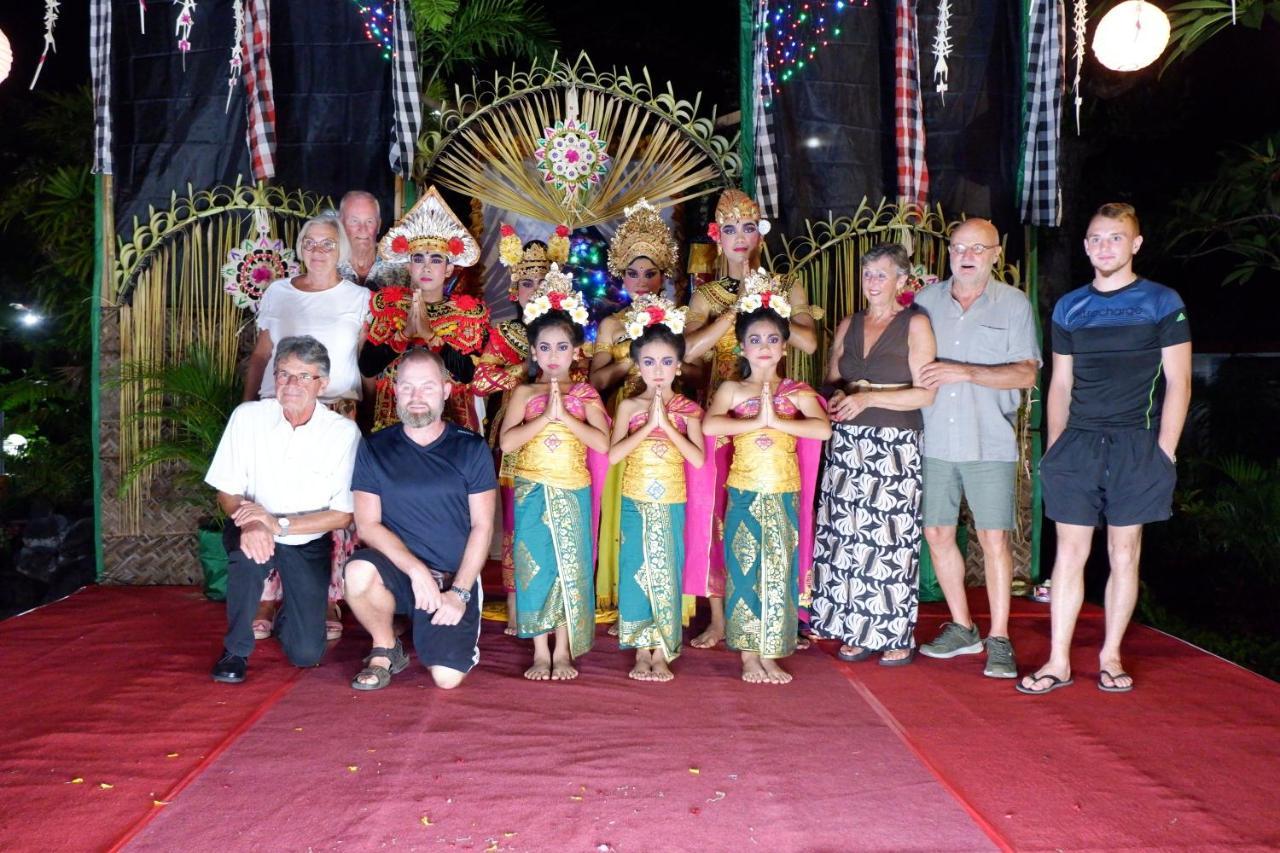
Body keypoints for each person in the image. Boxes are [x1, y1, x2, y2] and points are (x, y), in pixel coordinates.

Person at [1018, 203, 1191, 696]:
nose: (1104, 247)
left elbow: (1179, 382)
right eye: (1095, 238)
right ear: (1086, 245)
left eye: (1115, 238)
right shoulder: (1070, 306)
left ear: (1135, 244)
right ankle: (1057, 661)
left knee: (1124, 550)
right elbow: (1060, 384)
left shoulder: (1161, 301)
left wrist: (1166, 451)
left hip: (1138, 444)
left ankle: (1110, 654)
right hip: (1077, 445)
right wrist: (1053, 450)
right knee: (1069, 554)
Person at [682, 189, 819, 649]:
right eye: (729, 229)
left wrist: (770, 305)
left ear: (759, 233)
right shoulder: (706, 295)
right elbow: (687, 352)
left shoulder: (785, 284)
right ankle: (722, 617)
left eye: (747, 227)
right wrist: (732, 315)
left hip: (774, 412)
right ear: (716, 238)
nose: (739, 238)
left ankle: (779, 615)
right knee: (718, 512)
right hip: (722, 411)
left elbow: (809, 344)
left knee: (776, 510)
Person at [913, 218, 1040, 679]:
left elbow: (1026, 374)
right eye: (958, 247)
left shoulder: (1013, 304)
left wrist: (963, 371)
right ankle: (964, 628)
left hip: (990, 440)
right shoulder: (925, 302)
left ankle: (1000, 637)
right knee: (938, 535)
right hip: (935, 440)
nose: (966, 255)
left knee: (993, 540)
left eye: (977, 248)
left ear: (994, 254)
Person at [241, 213, 370, 642]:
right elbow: (261, 355)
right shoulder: (278, 292)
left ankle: (328, 594)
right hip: (278, 407)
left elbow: (366, 364)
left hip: (335, 412)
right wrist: (246, 405)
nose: (318, 250)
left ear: (342, 251)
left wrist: (369, 415)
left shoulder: (359, 298)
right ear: (300, 248)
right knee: (269, 495)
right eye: (310, 242)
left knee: (330, 506)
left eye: (328, 243)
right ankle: (265, 593)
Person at [809, 244, 937, 666]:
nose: (873, 282)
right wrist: (840, 398)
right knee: (848, 535)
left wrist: (866, 401)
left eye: (882, 275)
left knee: (889, 538)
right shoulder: (850, 323)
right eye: (868, 274)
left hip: (894, 444)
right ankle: (855, 628)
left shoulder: (915, 324)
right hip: (847, 443)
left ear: (902, 280)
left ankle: (895, 632)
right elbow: (831, 380)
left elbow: (926, 392)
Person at [207, 336, 361, 684]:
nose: (291, 385)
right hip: (252, 528)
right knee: (248, 555)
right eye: (284, 374)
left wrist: (278, 524)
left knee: (306, 654)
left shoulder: (342, 433)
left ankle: (292, 614)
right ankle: (235, 650)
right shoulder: (248, 418)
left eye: (303, 376)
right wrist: (253, 525)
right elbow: (227, 490)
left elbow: (342, 515)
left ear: (322, 384)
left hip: (306, 538)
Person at [342, 348, 497, 690]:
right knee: (357, 571)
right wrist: (415, 570)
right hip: (400, 572)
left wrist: (459, 592)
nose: (416, 397)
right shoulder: (375, 447)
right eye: (408, 387)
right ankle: (385, 647)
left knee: (446, 679)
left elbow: (482, 526)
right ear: (395, 390)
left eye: (427, 387)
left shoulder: (470, 448)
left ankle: (446, 618)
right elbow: (367, 524)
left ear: (444, 390)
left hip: (450, 578)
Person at [703, 272, 831, 684]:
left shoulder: (797, 391)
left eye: (772, 340)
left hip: (782, 493)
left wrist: (776, 418)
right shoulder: (732, 389)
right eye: (755, 340)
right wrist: (757, 419)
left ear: (784, 347)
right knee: (743, 570)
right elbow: (709, 428)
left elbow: (822, 429)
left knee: (778, 572)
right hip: (743, 492)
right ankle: (747, 655)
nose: (763, 347)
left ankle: (771, 651)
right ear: (742, 346)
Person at [500, 270, 611, 681]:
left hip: (572, 490)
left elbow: (602, 444)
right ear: (533, 351)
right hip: (532, 490)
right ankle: (539, 649)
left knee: (570, 568)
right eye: (544, 347)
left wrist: (564, 415)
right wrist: (546, 415)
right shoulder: (525, 394)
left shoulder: (585, 395)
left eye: (562, 347)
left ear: (576, 352)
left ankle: (563, 649)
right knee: (536, 567)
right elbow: (508, 442)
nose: (553, 355)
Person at [473, 225, 570, 634]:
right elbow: (478, 381)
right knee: (517, 520)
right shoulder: (506, 333)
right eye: (526, 282)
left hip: (563, 438)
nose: (534, 290)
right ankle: (516, 605)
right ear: (515, 289)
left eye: (542, 282)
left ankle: (560, 600)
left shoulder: (566, 335)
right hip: (515, 436)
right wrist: (519, 375)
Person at [606, 296, 706, 681]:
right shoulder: (630, 407)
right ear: (637, 365)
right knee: (636, 571)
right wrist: (649, 426)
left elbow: (697, 460)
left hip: (670, 501)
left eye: (666, 362)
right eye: (649, 362)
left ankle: (662, 649)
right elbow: (615, 454)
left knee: (666, 572)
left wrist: (667, 425)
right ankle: (639, 648)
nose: (658, 370)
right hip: (635, 501)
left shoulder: (687, 409)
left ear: (679, 366)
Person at [591, 199, 680, 623]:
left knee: (662, 506)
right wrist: (635, 355)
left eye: (650, 273)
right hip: (624, 417)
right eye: (632, 272)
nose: (641, 281)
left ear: (663, 276)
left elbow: (693, 372)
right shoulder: (611, 325)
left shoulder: (675, 320)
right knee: (621, 508)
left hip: (666, 418)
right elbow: (596, 382)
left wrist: (660, 348)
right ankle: (619, 599)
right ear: (620, 275)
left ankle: (662, 603)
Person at [363, 186, 490, 432]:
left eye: (436, 259)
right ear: (409, 266)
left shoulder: (466, 314)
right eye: (419, 258)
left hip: (451, 418)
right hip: (395, 417)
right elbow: (368, 365)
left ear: (449, 269)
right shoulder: (391, 308)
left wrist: (431, 336)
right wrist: (403, 335)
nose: (427, 267)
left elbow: (467, 374)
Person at [337, 190, 409, 290]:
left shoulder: (401, 266)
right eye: (354, 221)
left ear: (378, 225)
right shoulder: (328, 264)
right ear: (341, 224)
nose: (363, 229)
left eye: (369, 221)